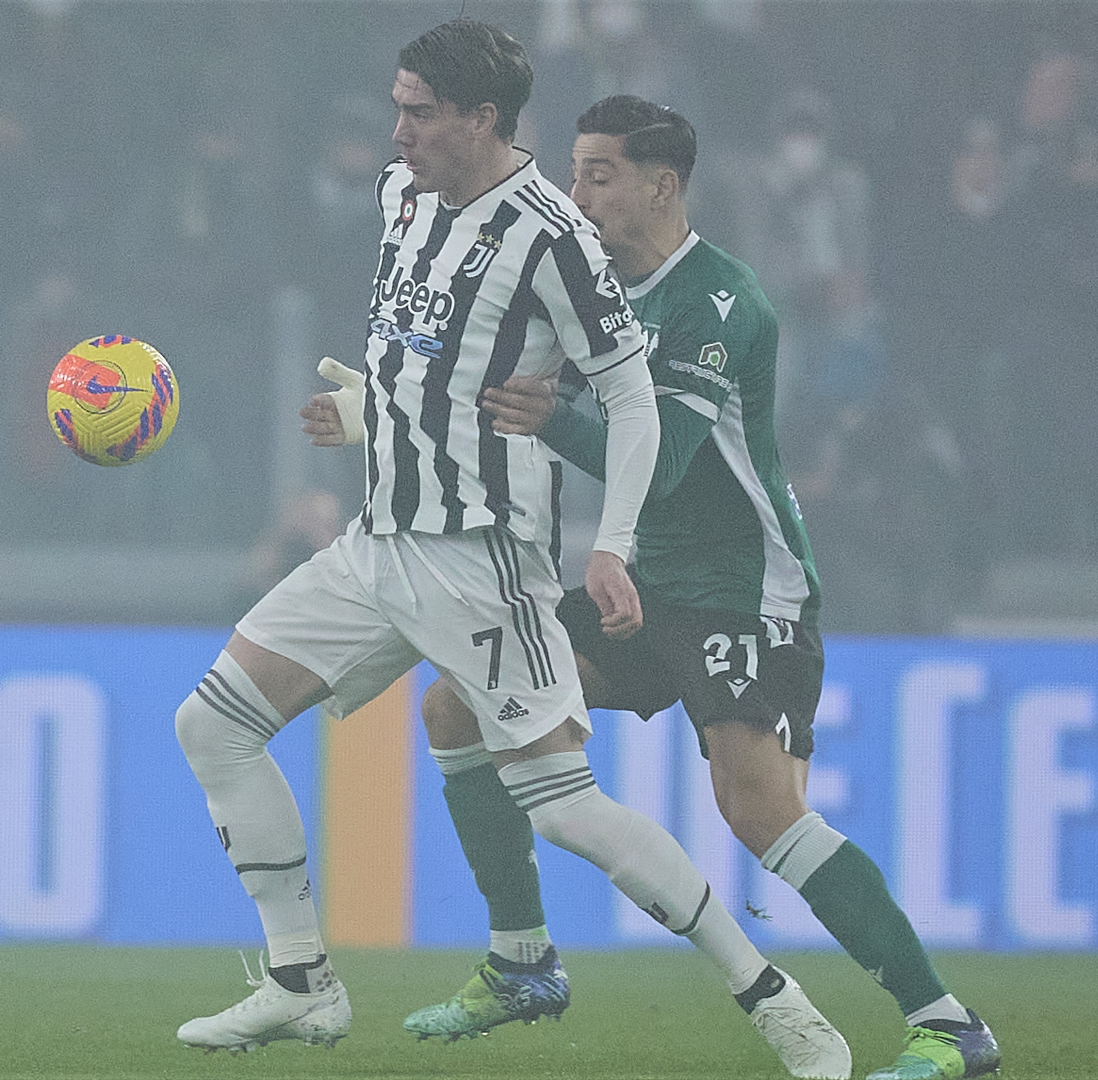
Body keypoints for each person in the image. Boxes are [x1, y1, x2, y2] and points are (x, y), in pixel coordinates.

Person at [173, 24, 848, 1080]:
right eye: (397, 107)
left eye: (420, 113)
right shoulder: (400, 195)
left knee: (567, 804)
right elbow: (427, 355)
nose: (398, 132)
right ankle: (301, 982)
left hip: (479, 559)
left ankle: (776, 1000)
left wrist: (612, 545)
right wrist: (372, 417)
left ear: (483, 119)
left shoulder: (553, 239)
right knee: (213, 724)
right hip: (378, 541)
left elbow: (630, 400)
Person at [398, 95, 1000, 1080]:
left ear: (660, 185)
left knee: (760, 811)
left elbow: (666, 456)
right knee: (459, 700)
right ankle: (519, 962)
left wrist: (545, 417)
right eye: (574, 171)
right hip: (643, 584)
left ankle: (949, 1024)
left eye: (599, 174)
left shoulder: (719, 302)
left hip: (741, 590)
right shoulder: (593, 288)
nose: (578, 192)